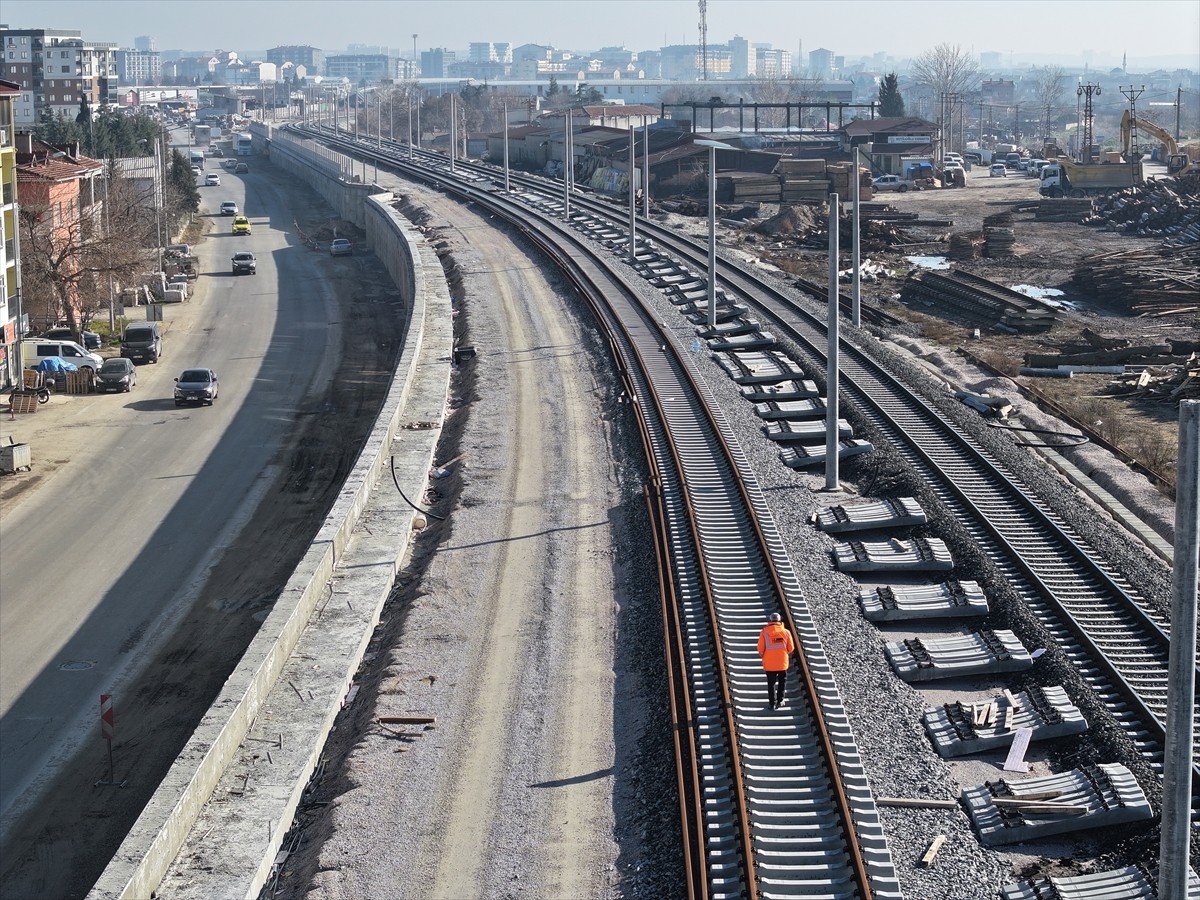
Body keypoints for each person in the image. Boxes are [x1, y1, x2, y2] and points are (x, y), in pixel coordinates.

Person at [757, 613, 794, 709]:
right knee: (782, 682)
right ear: (779, 620)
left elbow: (760, 649)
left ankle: (772, 703)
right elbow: (791, 648)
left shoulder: (764, 632)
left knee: (771, 683)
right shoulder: (786, 632)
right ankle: (780, 700)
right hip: (782, 663)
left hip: (769, 664)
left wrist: (764, 655)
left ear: (770, 621)